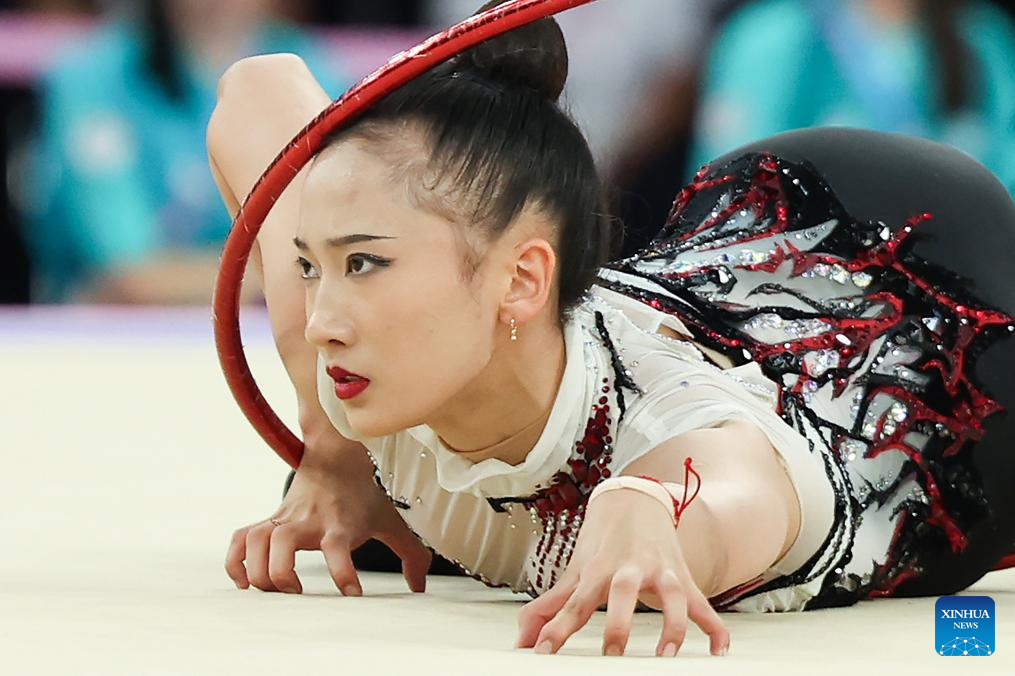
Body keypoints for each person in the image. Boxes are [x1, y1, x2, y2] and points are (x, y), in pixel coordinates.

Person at [207, 2, 1015, 658]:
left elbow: (733, 479)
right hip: (723, 261)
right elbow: (257, 86)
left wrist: (647, 509)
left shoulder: (667, 422)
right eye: (308, 264)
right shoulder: (360, 362)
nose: (320, 321)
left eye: (363, 264)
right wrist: (331, 455)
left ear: (520, 281)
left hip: (943, 345)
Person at [25, 0, 349, 303]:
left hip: (276, 331)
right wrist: (292, 277)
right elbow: (130, 273)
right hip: (109, 335)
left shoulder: (317, 72)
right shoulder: (90, 77)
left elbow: (338, 250)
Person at [687, 0, 1015, 196]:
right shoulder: (773, 38)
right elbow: (730, 193)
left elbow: (1005, 180)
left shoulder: (982, 37)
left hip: (957, 277)